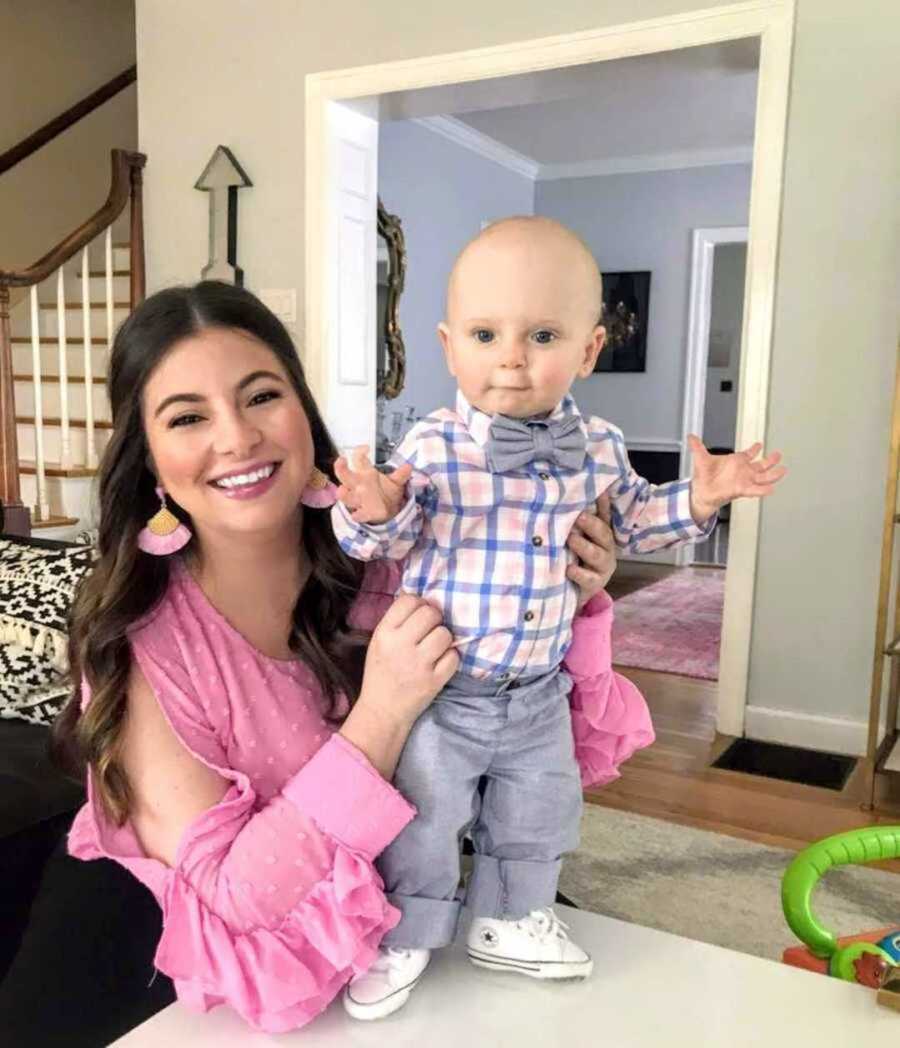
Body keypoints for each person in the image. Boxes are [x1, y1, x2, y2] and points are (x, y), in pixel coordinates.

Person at [4, 281, 624, 1040]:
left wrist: (574, 603)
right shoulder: (145, 645)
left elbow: (559, 754)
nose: (236, 439)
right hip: (214, 987)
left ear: (304, 414)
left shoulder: (402, 552)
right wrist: (382, 713)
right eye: (188, 417)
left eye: (261, 396)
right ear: (153, 463)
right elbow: (242, 895)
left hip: (435, 941)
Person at [332, 216, 787, 1019]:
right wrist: (369, 510)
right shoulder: (433, 445)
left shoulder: (602, 447)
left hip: (539, 690)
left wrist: (707, 494)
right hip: (443, 689)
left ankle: (508, 919)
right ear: (448, 345)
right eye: (485, 333)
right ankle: (409, 928)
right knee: (426, 815)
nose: (511, 355)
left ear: (587, 350)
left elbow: (638, 522)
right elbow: (390, 539)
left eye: (541, 334)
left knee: (540, 810)